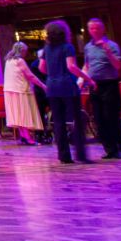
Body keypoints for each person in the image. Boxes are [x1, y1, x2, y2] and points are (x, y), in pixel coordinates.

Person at [39, 20, 91, 164]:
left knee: (58, 122)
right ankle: (80, 154)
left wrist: (53, 74)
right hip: (68, 86)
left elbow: (42, 68)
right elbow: (71, 67)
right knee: (77, 119)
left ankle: (64, 156)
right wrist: (88, 79)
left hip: (52, 87)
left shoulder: (46, 49)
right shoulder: (67, 47)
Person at [82, 18, 121, 158]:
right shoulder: (88, 47)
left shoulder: (112, 45)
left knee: (111, 117)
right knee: (99, 119)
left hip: (110, 84)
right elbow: (87, 65)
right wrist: (83, 80)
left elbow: (118, 66)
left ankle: (120, 147)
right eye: (92, 28)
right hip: (95, 85)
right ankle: (109, 149)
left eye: (97, 28)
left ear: (103, 29)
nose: (94, 31)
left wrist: (108, 52)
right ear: (89, 30)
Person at [2, 40, 45, 145]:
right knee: (24, 114)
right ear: (22, 51)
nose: (26, 54)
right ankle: (28, 139)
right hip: (19, 90)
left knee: (18, 114)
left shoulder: (8, 61)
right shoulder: (20, 60)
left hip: (9, 91)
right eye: (25, 51)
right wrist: (43, 85)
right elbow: (30, 76)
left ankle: (23, 136)